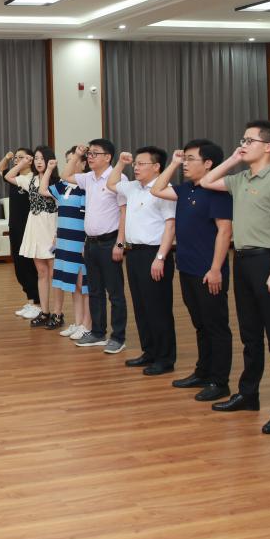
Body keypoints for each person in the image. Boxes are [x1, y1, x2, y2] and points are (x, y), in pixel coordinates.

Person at [200, 120, 270, 434]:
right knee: (250, 335)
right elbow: (206, 180)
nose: (243, 144)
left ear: (268, 146)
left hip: (267, 261)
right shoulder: (241, 178)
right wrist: (234, 158)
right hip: (242, 261)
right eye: (242, 140)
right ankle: (248, 394)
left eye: (249, 140)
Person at [151, 141, 234, 402]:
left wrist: (216, 269)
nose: (185, 164)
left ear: (208, 163)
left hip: (209, 271)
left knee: (216, 326)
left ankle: (219, 382)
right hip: (186, 267)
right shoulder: (185, 189)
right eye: (184, 159)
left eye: (190, 159)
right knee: (200, 324)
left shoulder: (218, 191)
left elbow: (225, 231)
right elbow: (156, 189)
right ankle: (203, 372)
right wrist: (174, 163)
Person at [107, 147, 177, 375]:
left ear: (156, 167)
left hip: (155, 254)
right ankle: (149, 352)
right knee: (141, 306)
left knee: (158, 308)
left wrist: (160, 257)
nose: (135, 167)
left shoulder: (164, 190)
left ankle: (165, 359)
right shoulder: (133, 188)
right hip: (135, 253)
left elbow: (170, 226)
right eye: (135, 163)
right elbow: (111, 183)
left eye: (141, 164)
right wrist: (120, 163)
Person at [71, 139, 128, 354]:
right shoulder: (88, 178)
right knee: (94, 291)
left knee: (115, 293)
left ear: (108, 157)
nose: (90, 157)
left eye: (95, 153)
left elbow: (124, 212)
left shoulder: (118, 178)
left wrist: (120, 243)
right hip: (91, 243)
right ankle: (97, 332)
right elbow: (66, 175)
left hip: (110, 242)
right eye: (89, 153)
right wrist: (77, 155)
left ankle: (118, 337)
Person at [5, 146, 59, 327]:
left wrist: (58, 234)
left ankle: (57, 314)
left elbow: (60, 208)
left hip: (50, 227)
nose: (38, 161)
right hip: (35, 228)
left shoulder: (57, 182)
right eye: (36, 158)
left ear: (50, 160)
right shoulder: (30, 179)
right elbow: (8, 176)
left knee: (54, 274)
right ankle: (44, 311)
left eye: (42, 158)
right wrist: (22, 163)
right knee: (41, 273)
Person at [39, 146, 89, 336]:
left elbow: (88, 218)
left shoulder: (86, 187)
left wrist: (86, 242)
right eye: (67, 161)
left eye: (73, 160)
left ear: (83, 164)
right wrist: (50, 169)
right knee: (73, 286)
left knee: (83, 285)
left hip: (79, 242)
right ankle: (77, 322)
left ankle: (86, 325)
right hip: (64, 242)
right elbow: (43, 189)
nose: (70, 164)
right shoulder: (64, 185)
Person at [0, 148, 42, 319]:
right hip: (15, 227)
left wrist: (23, 163)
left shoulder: (33, 179)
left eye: (21, 157)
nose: (17, 160)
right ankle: (31, 301)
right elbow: (1, 170)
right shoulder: (15, 177)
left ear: (30, 160)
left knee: (29, 266)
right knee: (19, 267)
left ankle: (38, 304)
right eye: (16, 158)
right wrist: (7, 157)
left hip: (29, 228)